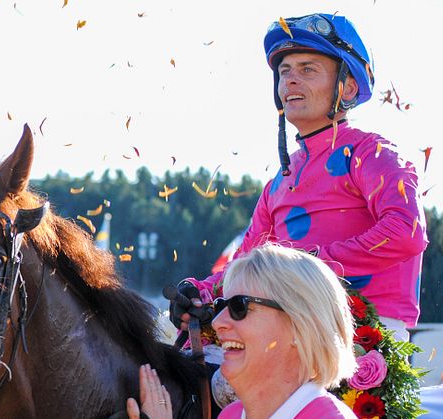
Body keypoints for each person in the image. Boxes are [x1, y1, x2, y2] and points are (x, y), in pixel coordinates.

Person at [171, 13, 427, 344]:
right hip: (287, 332)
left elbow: (406, 233)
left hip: (362, 336)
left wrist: (304, 267)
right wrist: (198, 292)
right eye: (285, 71)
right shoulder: (278, 182)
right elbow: (244, 264)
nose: (291, 80)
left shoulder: (374, 152)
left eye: (308, 69)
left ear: (347, 87)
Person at [133, 244, 357, 419]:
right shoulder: (232, 414)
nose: (218, 321)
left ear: (301, 326)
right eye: (221, 305)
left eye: (239, 306)